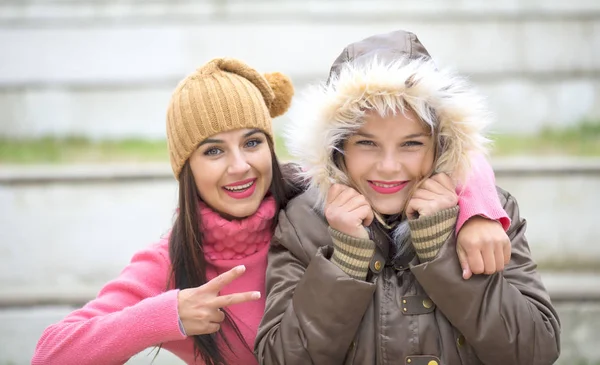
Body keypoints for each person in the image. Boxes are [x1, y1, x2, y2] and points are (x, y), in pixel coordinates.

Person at [255, 30, 560, 365]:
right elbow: (280, 358)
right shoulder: (304, 222)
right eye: (366, 143)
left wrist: (442, 247)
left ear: (440, 146)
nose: (389, 167)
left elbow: (536, 351)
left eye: (412, 144)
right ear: (337, 149)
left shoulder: (486, 215)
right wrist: (346, 261)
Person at [32, 58, 297, 365]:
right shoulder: (170, 263)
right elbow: (50, 355)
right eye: (213, 151)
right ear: (187, 170)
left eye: (252, 142)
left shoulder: (316, 214)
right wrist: (167, 314)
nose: (239, 166)